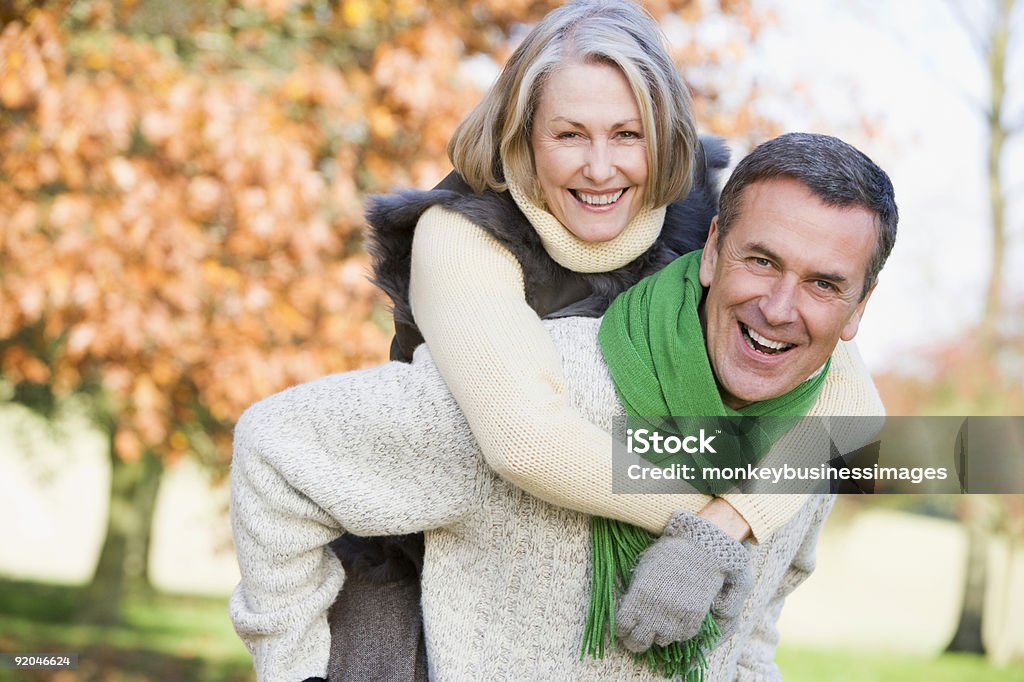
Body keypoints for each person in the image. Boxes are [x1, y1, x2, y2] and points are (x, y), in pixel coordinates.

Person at [229, 131, 897, 681]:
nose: (779, 309)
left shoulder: (813, 443)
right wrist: (293, 670)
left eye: (823, 283)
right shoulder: (544, 381)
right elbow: (274, 449)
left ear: (857, 309)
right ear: (713, 251)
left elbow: (749, 637)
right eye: (761, 261)